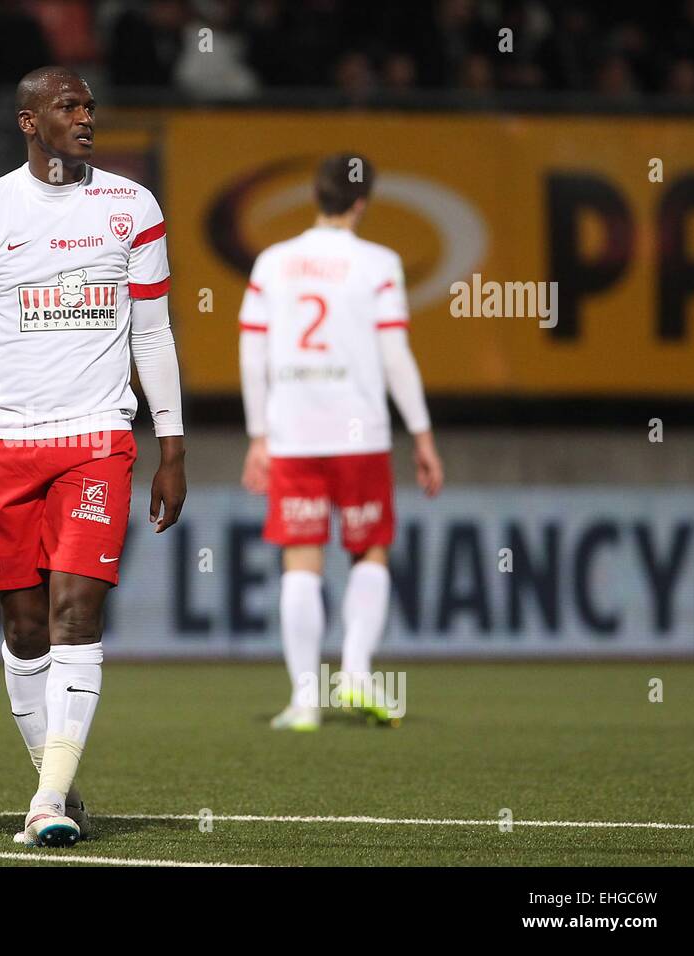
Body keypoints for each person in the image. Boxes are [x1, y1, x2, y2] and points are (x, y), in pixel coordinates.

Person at [0, 66, 186, 847]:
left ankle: (44, 805)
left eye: (89, 106)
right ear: (27, 121)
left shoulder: (132, 207)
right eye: (67, 107)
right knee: (23, 627)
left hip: (96, 439)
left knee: (78, 610)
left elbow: (152, 332)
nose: (84, 117)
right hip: (4, 442)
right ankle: (59, 781)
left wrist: (170, 444)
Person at [238, 153, 443, 732]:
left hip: (294, 432)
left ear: (315, 195)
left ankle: (305, 700)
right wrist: (422, 432)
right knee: (368, 548)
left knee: (300, 560)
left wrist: (258, 435)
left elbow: (253, 354)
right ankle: (354, 670)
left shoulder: (273, 263)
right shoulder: (379, 263)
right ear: (361, 201)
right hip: (359, 432)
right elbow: (394, 355)